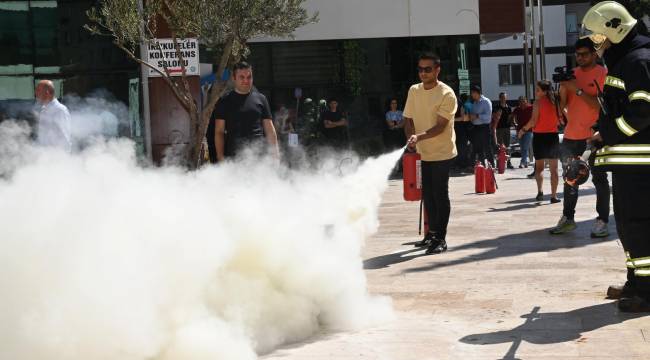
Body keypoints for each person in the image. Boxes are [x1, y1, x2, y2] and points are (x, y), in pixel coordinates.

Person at [583, 1, 650, 312]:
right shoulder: (625, 61)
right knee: (627, 225)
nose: (597, 46)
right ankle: (636, 282)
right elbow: (620, 108)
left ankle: (647, 292)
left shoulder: (639, 61)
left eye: (599, 38)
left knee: (639, 225)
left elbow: (642, 114)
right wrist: (603, 130)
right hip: (628, 163)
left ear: (615, 29)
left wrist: (608, 133)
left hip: (641, 165)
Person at [550, 37, 610, 237]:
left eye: (584, 54)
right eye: (577, 55)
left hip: (595, 136)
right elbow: (563, 106)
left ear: (594, 54)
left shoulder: (603, 74)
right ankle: (568, 218)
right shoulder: (571, 75)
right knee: (570, 179)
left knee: (599, 180)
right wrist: (561, 93)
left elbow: (598, 105)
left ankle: (602, 221)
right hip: (571, 136)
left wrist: (576, 87)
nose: (580, 58)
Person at [404, 53, 457, 255]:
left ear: (437, 70)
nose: (423, 73)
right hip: (422, 152)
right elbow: (408, 119)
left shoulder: (447, 94)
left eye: (428, 69)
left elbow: (440, 127)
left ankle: (440, 239)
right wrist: (411, 138)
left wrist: (418, 137)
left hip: (442, 152)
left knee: (439, 194)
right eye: (420, 69)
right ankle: (431, 233)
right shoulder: (414, 90)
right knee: (427, 195)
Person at [211, 62, 279, 161]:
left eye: (249, 77)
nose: (246, 80)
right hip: (233, 159)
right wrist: (220, 157)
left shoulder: (261, 99)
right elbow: (219, 132)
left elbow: (270, 130)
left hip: (259, 158)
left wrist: (275, 156)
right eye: (241, 77)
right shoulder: (224, 101)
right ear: (234, 78)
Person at [518, 80, 561, 203]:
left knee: (540, 168)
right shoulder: (556, 102)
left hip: (539, 137)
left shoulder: (537, 103)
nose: (536, 92)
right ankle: (553, 196)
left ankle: (540, 192)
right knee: (554, 169)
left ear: (544, 91)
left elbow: (533, 121)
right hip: (553, 136)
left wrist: (523, 130)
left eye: (538, 90)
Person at [34, 80, 71, 151]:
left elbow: (64, 137)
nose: (36, 94)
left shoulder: (59, 110)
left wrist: (63, 158)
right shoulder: (44, 109)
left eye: (38, 90)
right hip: (45, 155)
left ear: (47, 93)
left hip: (56, 156)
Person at [469, 85, 494, 167]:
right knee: (478, 148)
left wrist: (477, 116)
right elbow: (473, 115)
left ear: (477, 93)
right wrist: (471, 117)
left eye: (472, 93)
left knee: (487, 147)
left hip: (484, 127)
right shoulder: (475, 103)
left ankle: (492, 165)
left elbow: (488, 116)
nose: (471, 95)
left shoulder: (486, 101)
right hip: (476, 128)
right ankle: (482, 166)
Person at [494, 92, 514, 169]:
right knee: (499, 146)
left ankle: (508, 162)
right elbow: (494, 117)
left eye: (505, 97)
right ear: (499, 98)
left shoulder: (508, 108)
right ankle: (498, 163)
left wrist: (513, 124)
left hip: (507, 129)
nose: (503, 99)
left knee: (507, 146)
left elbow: (510, 118)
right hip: (499, 129)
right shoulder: (496, 107)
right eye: (502, 97)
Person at [512, 96, 534, 168]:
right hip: (519, 130)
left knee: (525, 146)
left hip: (529, 130)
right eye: (520, 101)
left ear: (526, 101)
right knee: (522, 147)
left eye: (523, 101)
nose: (522, 103)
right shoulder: (517, 109)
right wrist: (515, 124)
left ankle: (522, 162)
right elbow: (512, 117)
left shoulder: (531, 108)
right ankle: (526, 162)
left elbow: (535, 117)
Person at [454, 93, 472, 171]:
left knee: (461, 147)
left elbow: (462, 118)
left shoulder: (461, 105)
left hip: (461, 129)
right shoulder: (452, 105)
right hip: (457, 129)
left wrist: (453, 120)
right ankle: (459, 164)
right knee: (458, 147)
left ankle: (462, 164)